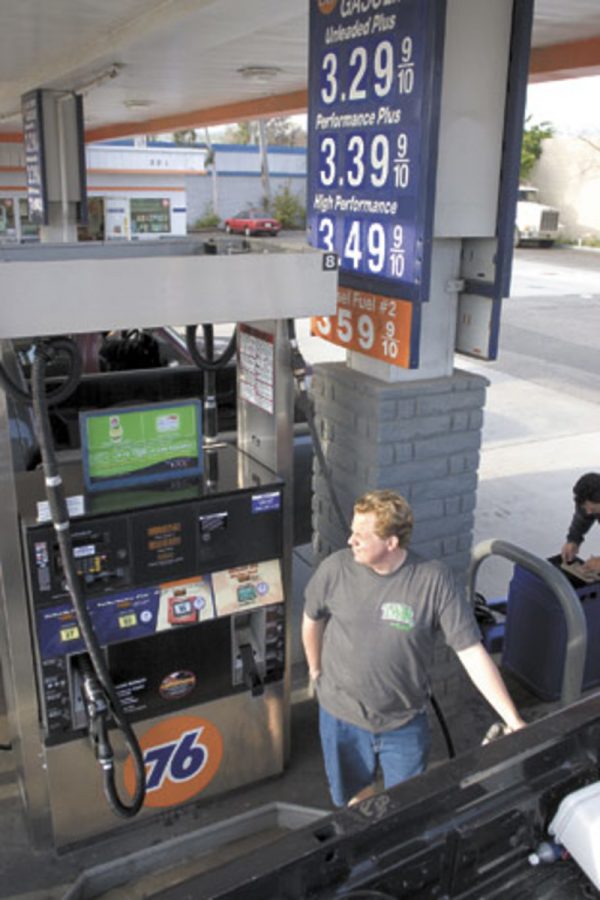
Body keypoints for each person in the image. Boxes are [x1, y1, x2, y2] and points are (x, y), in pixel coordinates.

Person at [302, 489, 526, 808]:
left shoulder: (433, 580)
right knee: (351, 800)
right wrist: (315, 670)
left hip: (403, 723)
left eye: (361, 535)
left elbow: (472, 653)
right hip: (341, 717)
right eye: (353, 531)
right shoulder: (335, 569)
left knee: (407, 804)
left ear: (391, 542)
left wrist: (512, 719)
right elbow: (311, 619)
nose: (351, 540)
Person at [561, 472, 600, 575]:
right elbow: (583, 516)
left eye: (593, 508)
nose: (588, 512)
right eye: (585, 507)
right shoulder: (589, 504)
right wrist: (573, 539)